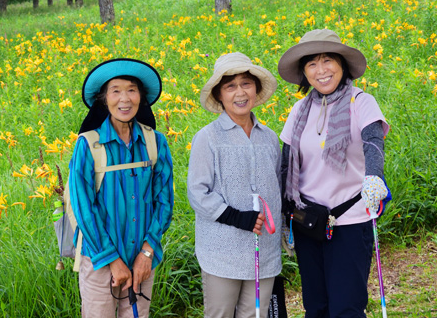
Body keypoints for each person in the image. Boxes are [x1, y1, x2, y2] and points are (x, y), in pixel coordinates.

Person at [277, 29, 390, 318]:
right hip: (308, 223)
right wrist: (283, 213)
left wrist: (374, 176)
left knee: (346, 309)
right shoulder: (299, 110)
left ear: (342, 63)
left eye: (327, 60)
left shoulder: (360, 102)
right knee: (316, 308)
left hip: (350, 221)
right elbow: (286, 163)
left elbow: (372, 142)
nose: (321, 70)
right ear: (304, 72)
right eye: (312, 63)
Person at [68, 58, 174, 318]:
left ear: (141, 97)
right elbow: (83, 209)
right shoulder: (88, 145)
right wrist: (113, 261)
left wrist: (147, 253)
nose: (124, 99)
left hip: (143, 260)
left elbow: (164, 202)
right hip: (100, 261)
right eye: (115, 90)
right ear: (104, 98)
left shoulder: (155, 142)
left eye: (131, 89)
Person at [187, 52, 282, 318]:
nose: (239, 92)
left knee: (255, 315)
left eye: (246, 84)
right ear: (219, 95)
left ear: (256, 89)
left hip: (264, 251)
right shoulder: (207, 138)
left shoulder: (270, 138)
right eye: (230, 86)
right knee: (220, 314)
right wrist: (236, 217)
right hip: (221, 253)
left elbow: (276, 188)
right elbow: (197, 192)